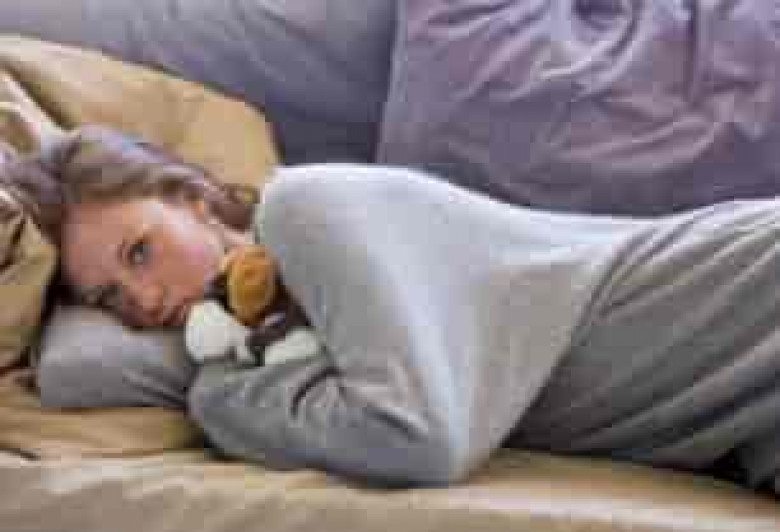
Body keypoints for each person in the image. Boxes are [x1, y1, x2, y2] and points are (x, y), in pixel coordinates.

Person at [9, 125, 780, 495]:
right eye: (110, 298)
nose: (144, 301)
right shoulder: (262, 330)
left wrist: (213, 398)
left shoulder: (305, 208)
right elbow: (75, 370)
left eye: (140, 251)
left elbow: (417, 437)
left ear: (192, 197)